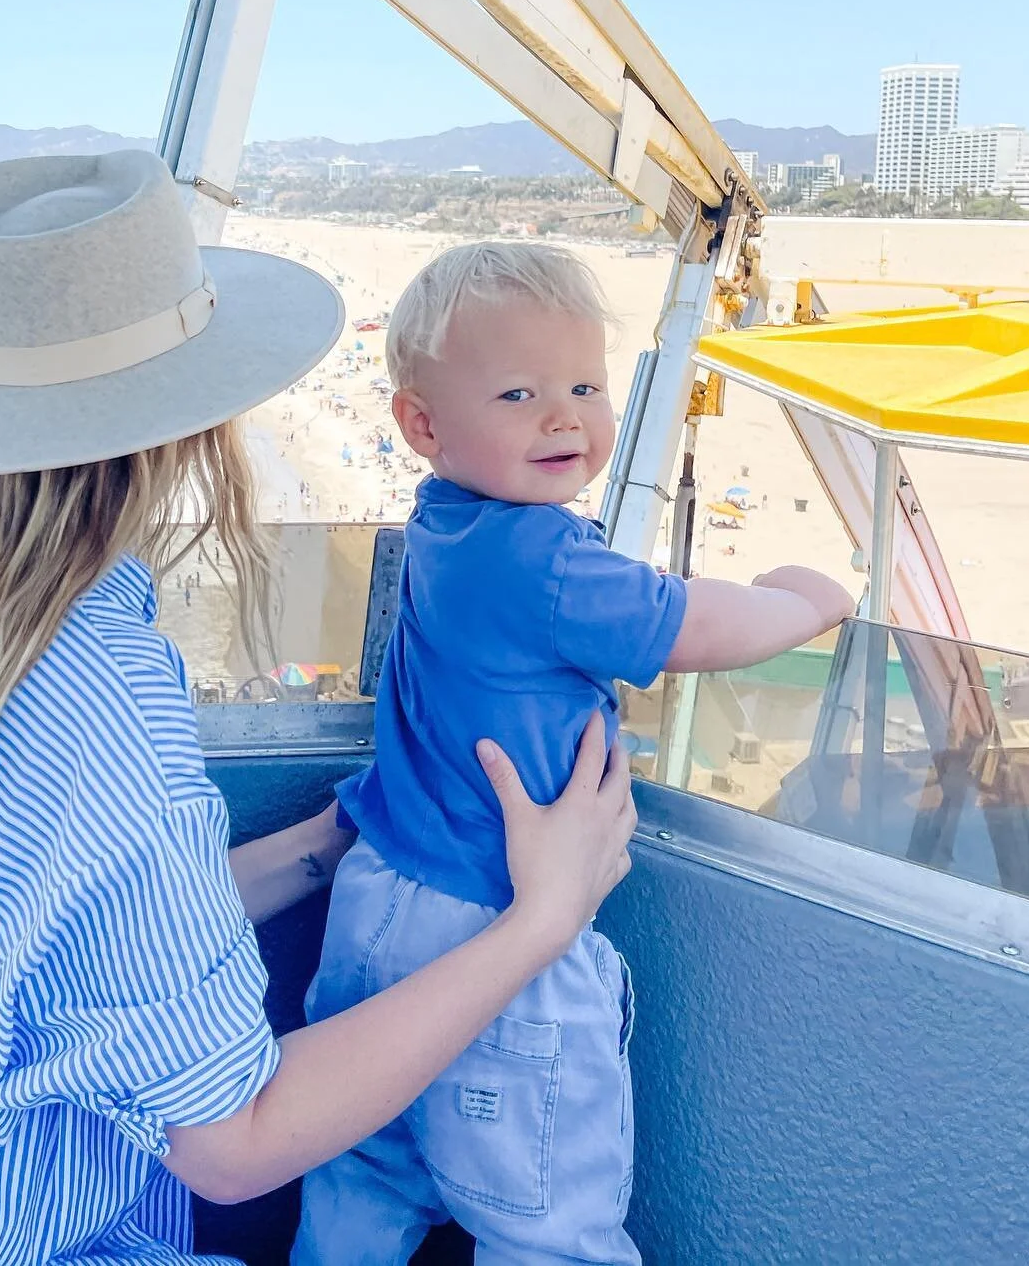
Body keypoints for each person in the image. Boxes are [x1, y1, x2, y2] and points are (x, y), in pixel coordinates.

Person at [0, 157, 636, 1265]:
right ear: (199, 416)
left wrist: (337, 841)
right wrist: (543, 916)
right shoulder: (104, 697)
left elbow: (91, 922)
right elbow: (236, 1143)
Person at [294, 241, 854, 1266]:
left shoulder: (442, 522)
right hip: (495, 929)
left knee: (358, 1187)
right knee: (548, 1227)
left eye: (587, 385)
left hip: (376, 905)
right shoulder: (543, 556)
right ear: (422, 425)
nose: (564, 415)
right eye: (518, 392)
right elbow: (690, 627)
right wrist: (804, 598)